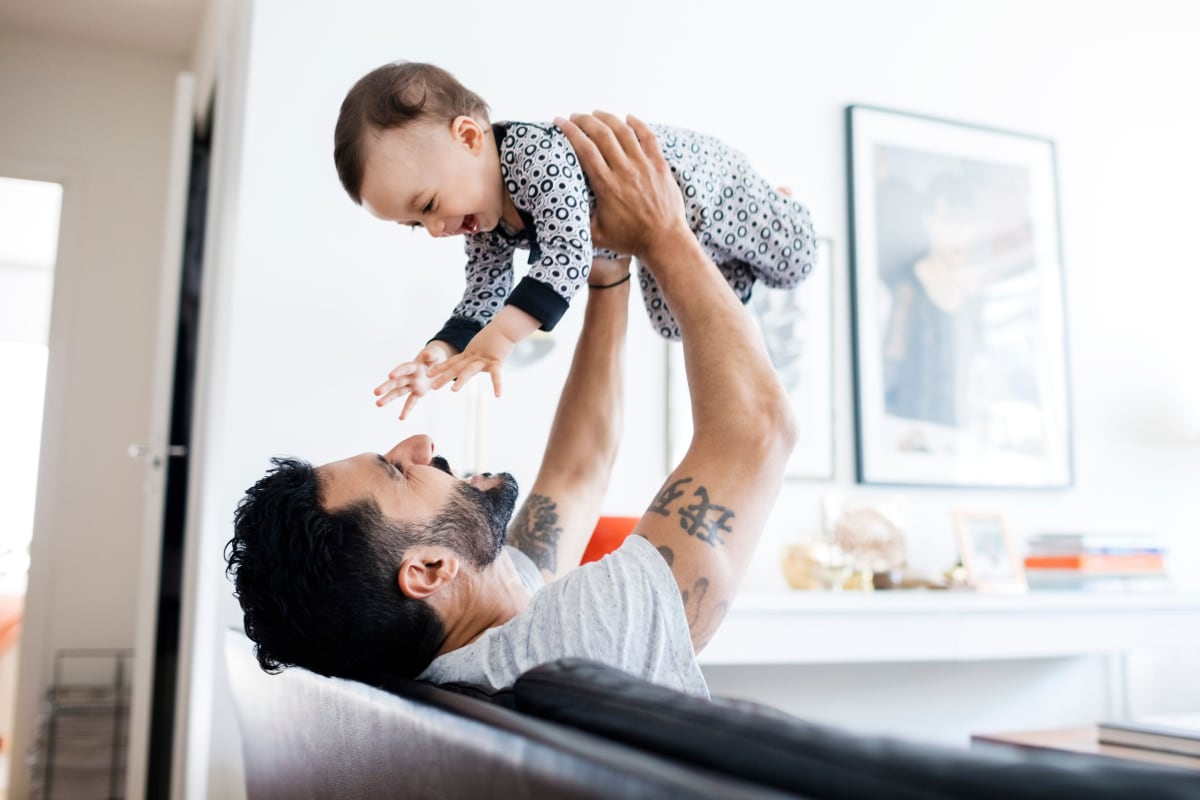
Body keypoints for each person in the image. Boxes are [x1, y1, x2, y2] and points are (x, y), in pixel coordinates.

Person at [227, 112, 797, 697]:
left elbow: (579, 473)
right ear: (426, 570)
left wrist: (605, 269)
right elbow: (758, 428)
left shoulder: (484, 643)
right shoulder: (574, 644)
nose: (419, 444)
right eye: (396, 469)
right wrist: (664, 232)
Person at [333, 61, 817, 418]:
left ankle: (777, 204)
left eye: (428, 205)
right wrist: (438, 355)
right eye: (417, 226)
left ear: (469, 137)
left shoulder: (531, 154)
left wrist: (500, 338)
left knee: (797, 260)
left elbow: (567, 254)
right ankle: (743, 258)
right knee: (675, 326)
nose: (437, 229)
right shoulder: (484, 219)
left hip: (702, 188)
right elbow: (483, 292)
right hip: (653, 241)